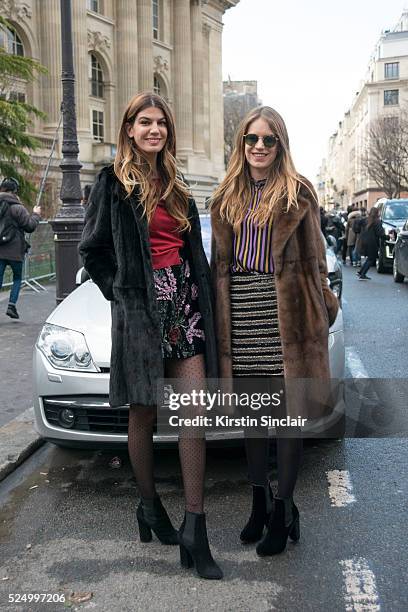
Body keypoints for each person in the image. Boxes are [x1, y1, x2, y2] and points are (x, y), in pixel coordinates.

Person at [79, 92, 222, 580]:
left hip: (182, 303)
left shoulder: (179, 184)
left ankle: (195, 526)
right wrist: (122, 294)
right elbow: (92, 250)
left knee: (193, 410)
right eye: (145, 122)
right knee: (143, 412)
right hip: (141, 309)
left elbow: (191, 251)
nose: (154, 130)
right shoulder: (112, 183)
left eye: (161, 122)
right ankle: (149, 506)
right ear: (129, 129)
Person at [210, 106, 339, 556]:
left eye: (269, 140)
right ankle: (259, 501)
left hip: (287, 311)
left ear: (280, 146)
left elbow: (317, 259)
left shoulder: (298, 192)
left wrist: (324, 304)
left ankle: (284, 509)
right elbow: (218, 265)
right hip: (241, 313)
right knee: (253, 420)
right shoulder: (226, 194)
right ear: (241, 144)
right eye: (252, 139)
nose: (259, 147)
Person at [0, 177, 41, 319]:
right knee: (17, 279)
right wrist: (36, 214)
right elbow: (29, 226)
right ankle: (11, 305)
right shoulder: (18, 207)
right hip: (15, 251)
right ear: (14, 191)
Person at [357, 207, 385, 280]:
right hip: (372, 243)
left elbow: (357, 224)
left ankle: (361, 272)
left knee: (369, 258)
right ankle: (362, 274)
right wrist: (388, 236)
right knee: (371, 259)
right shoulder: (377, 221)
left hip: (364, 241)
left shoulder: (366, 220)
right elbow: (380, 233)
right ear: (376, 213)